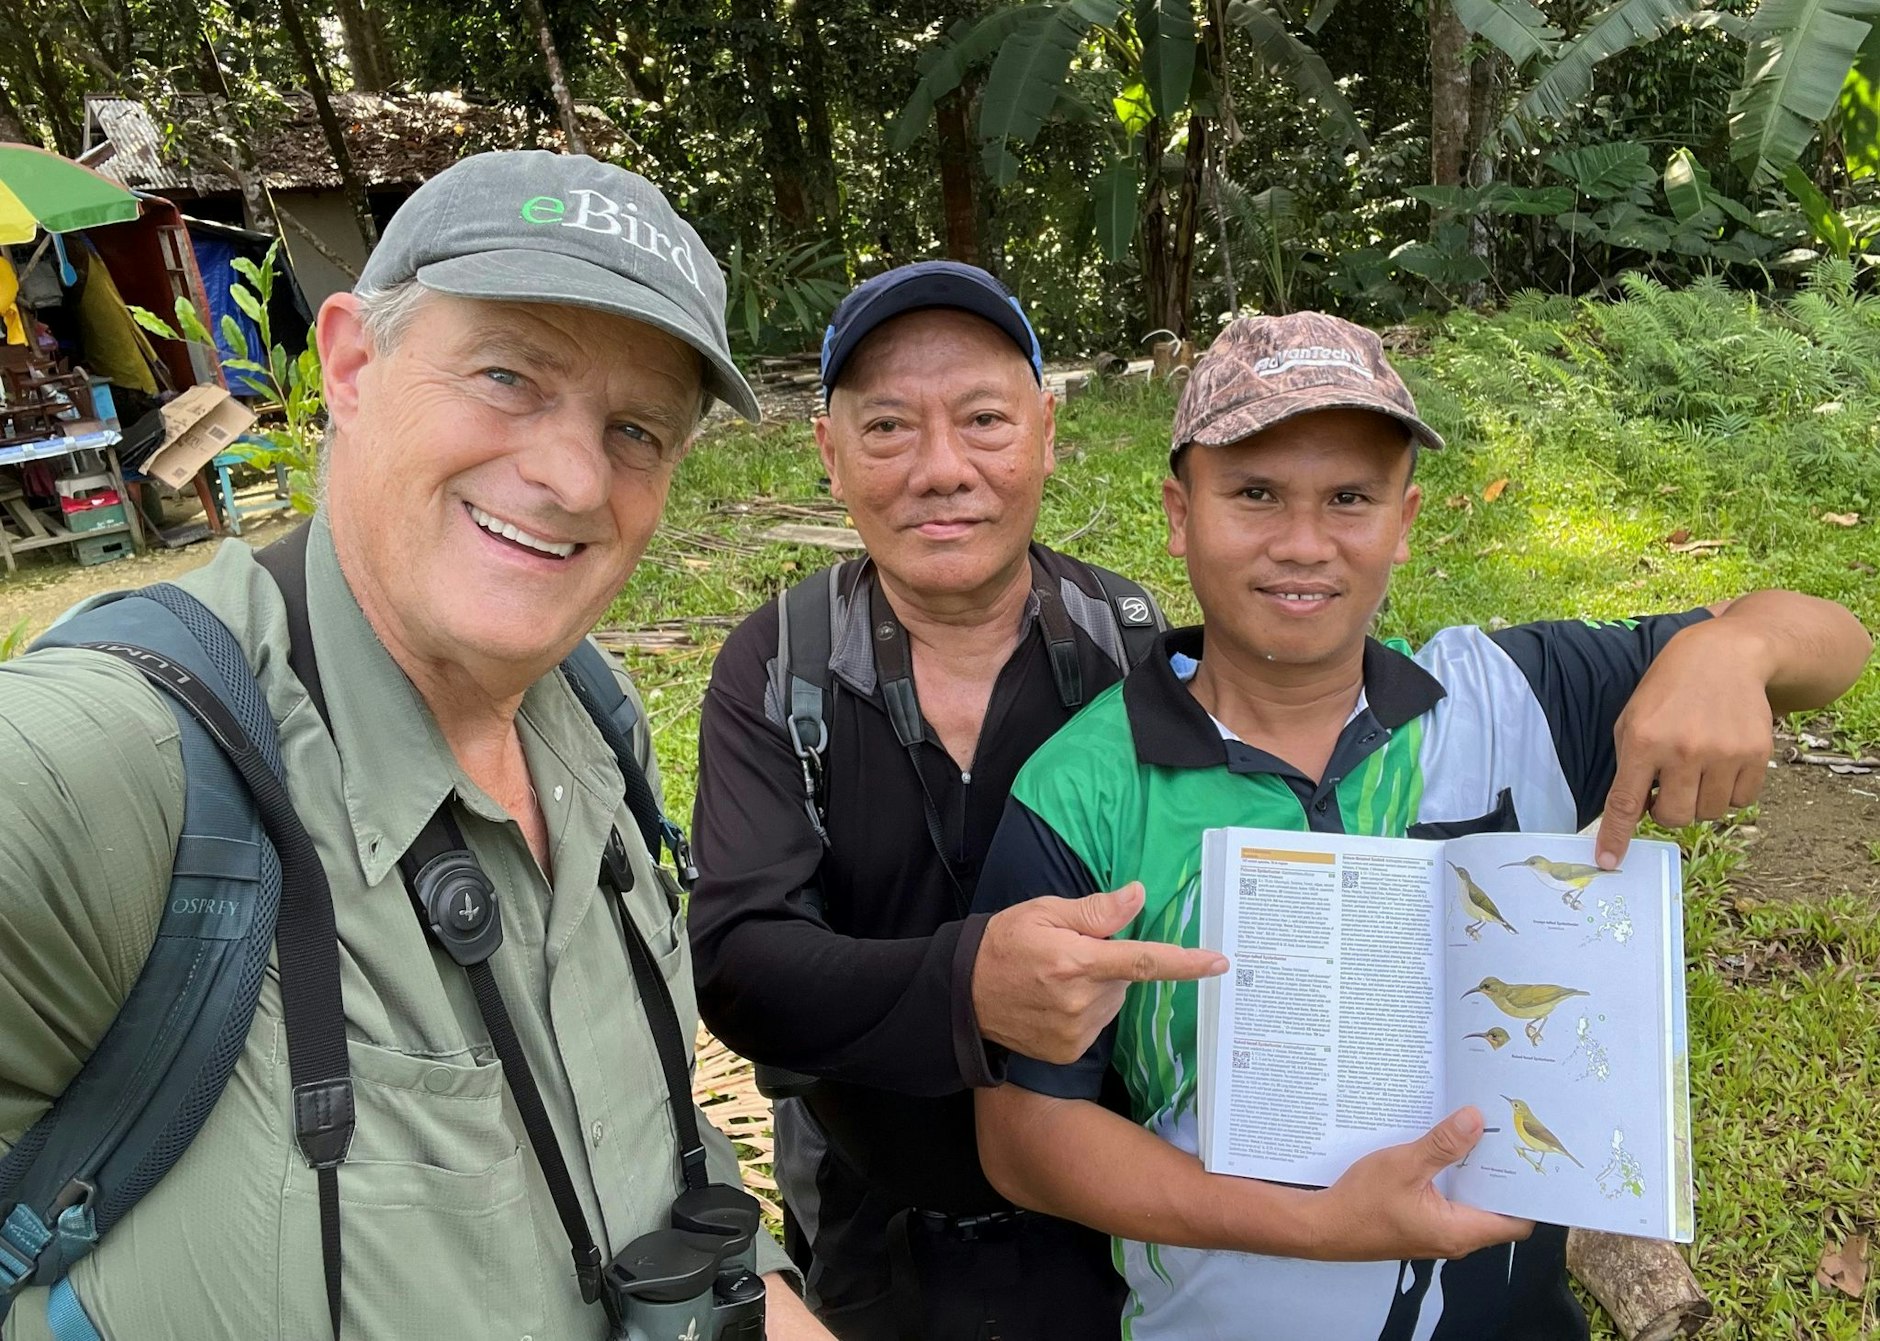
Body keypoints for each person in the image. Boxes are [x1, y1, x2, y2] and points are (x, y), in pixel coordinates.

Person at [0, 152, 831, 1340]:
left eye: (636, 428)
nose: (569, 475)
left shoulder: (592, 725)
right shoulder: (112, 763)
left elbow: (654, 1169)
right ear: (349, 363)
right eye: (506, 376)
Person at [970, 311, 1872, 1339]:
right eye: (1254, 494)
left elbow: (1833, 641)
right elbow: (1021, 1131)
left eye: (1348, 499)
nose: (1302, 543)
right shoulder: (1086, 785)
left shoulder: (1505, 700)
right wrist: (1314, 1227)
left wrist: (1733, 648)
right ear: (1180, 514)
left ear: (1403, 521)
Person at [687, 261, 1227, 1339]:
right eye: (888, 428)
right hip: (870, 1210)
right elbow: (741, 965)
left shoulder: (1124, 645)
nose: (942, 470)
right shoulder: (778, 664)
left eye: (983, 419)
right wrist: (969, 987)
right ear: (829, 453)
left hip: (1103, 1208)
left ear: (1045, 431)